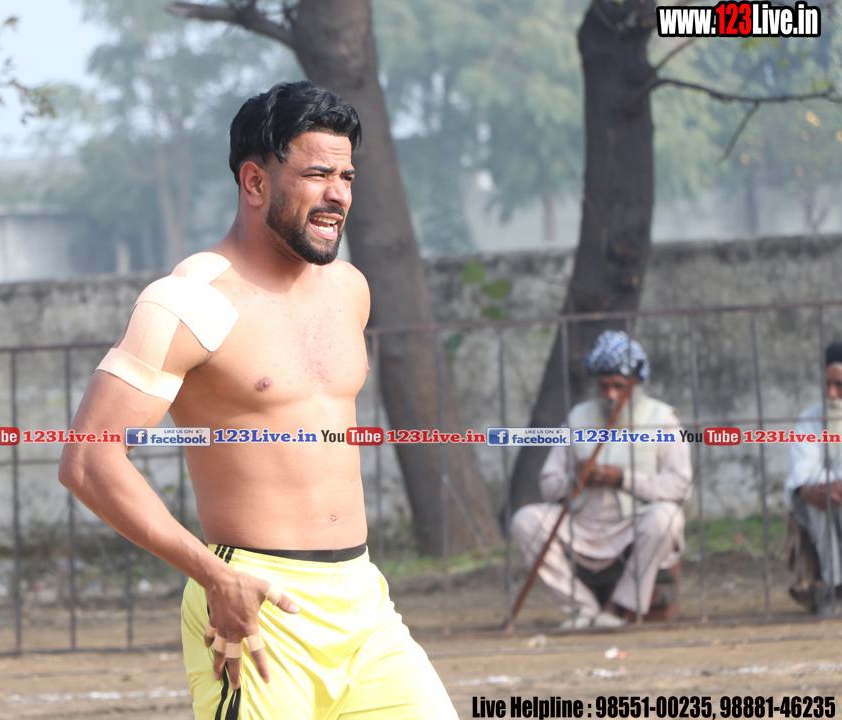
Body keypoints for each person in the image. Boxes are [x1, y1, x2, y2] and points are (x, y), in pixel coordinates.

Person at [58, 81, 456, 720]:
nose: (338, 195)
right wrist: (214, 577)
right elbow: (88, 460)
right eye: (317, 174)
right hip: (255, 598)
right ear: (255, 182)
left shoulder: (349, 289)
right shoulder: (187, 303)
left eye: (347, 176)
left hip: (363, 597)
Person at [511, 330, 692, 628]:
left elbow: (680, 486)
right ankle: (582, 608)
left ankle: (618, 608)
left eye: (619, 387)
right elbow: (549, 484)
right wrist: (576, 479)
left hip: (633, 524)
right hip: (583, 525)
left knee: (667, 517)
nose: (610, 395)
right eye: (604, 386)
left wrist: (621, 478)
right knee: (525, 521)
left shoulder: (663, 420)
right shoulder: (577, 418)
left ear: (636, 384)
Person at [784, 341, 842, 613]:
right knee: (820, 500)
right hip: (826, 501)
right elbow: (802, 470)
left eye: (839, 385)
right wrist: (810, 489)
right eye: (826, 384)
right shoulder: (810, 418)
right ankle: (835, 586)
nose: (832, 394)